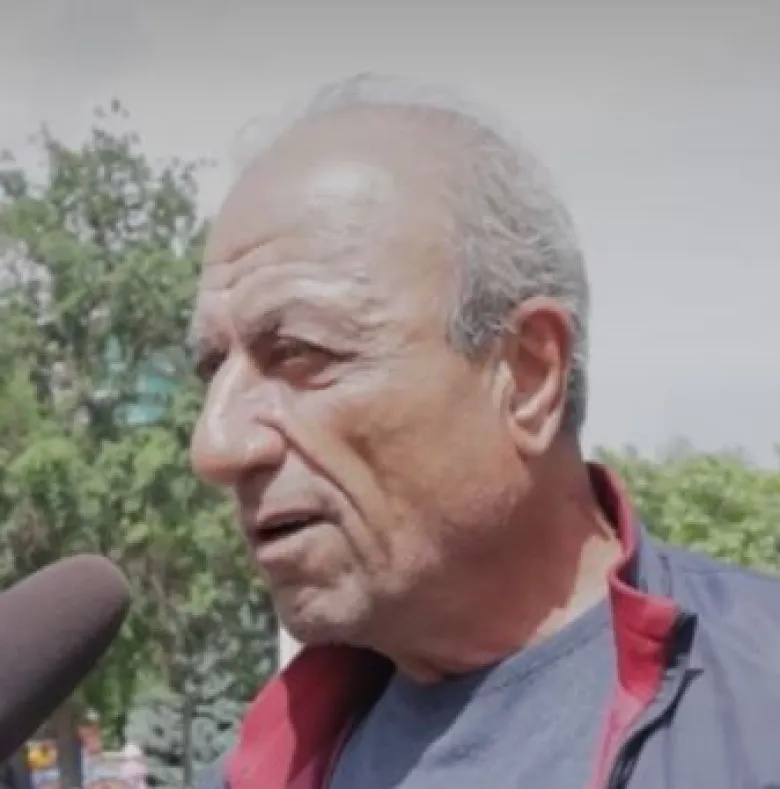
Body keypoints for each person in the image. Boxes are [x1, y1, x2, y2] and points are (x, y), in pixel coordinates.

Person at [190, 74, 780, 789]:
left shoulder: (758, 701)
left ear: (527, 374)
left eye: (299, 352)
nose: (216, 447)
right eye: (213, 371)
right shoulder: (267, 767)